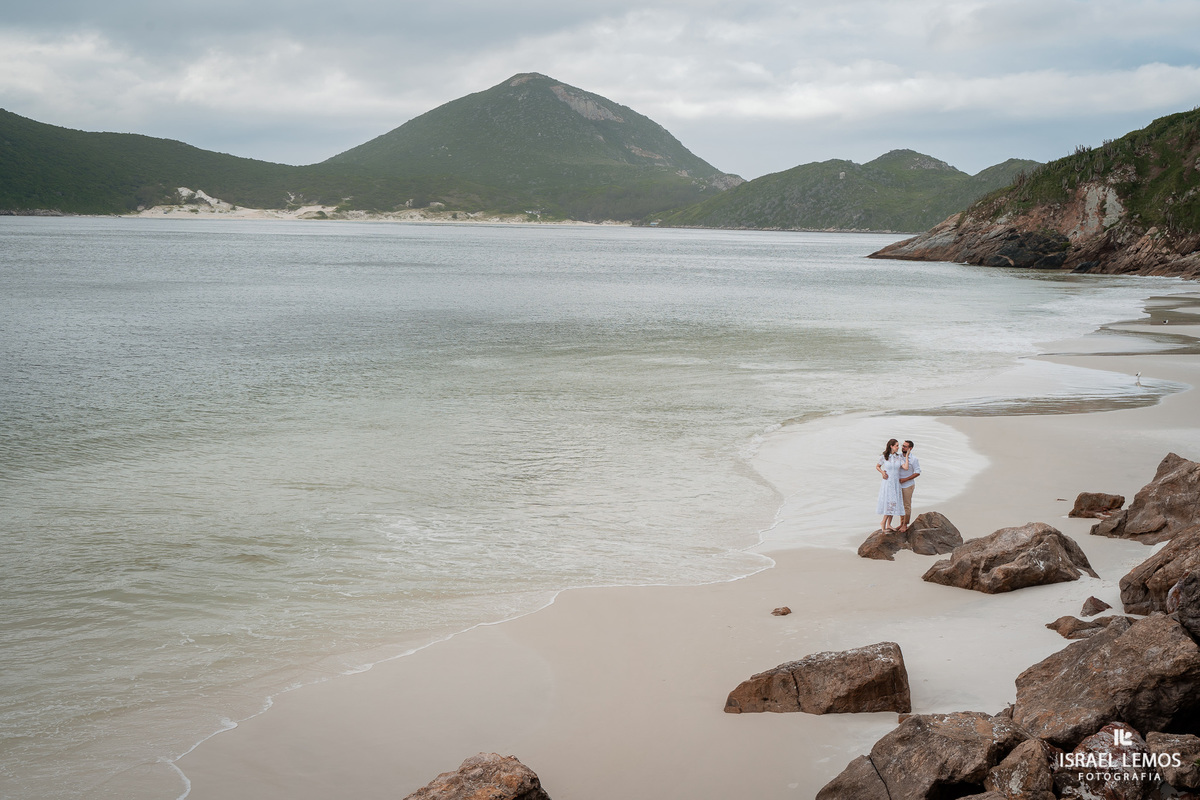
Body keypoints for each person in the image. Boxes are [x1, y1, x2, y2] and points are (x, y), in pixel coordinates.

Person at [875, 438, 908, 532]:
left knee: (893, 502)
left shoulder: (899, 457)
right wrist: (882, 473)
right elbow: (877, 466)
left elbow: (905, 467)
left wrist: (907, 456)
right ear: (891, 446)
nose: (898, 447)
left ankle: (889, 524)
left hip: (896, 483)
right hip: (888, 482)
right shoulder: (884, 457)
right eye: (897, 445)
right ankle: (883, 522)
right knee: (889, 502)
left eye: (898, 445)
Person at [898, 440, 921, 533]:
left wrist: (905, 479)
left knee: (906, 505)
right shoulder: (898, 457)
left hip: (908, 485)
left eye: (905, 446)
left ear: (910, 448)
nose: (903, 447)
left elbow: (917, 472)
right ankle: (901, 522)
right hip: (898, 485)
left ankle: (905, 525)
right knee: (900, 505)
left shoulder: (914, 459)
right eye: (902, 446)